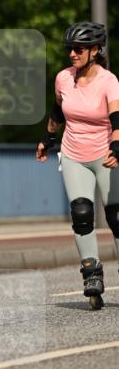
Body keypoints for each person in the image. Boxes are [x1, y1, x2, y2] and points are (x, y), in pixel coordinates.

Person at [36, 21, 119, 310]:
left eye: (79, 49)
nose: (72, 54)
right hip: (73, 153)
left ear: (95, 50)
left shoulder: (109, 81)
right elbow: (58, 110)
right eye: (70, 49)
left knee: (116, 217)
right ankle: (91, 274)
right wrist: (48, 138)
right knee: (81, 213)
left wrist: (117, 146)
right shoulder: (63, 78)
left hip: (106, 154)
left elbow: (117, 118)